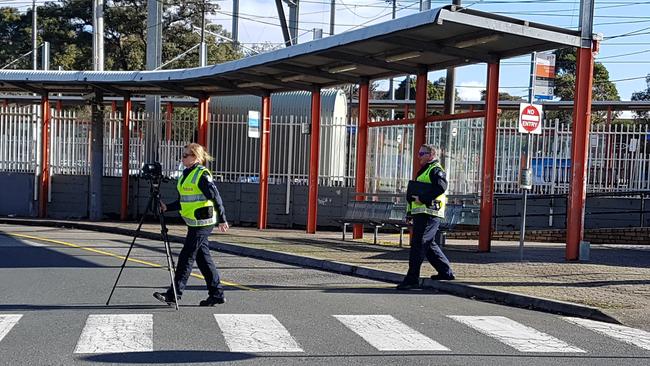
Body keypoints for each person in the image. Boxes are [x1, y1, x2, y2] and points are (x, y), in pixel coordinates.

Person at [153, 143, 230, 306]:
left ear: (195, 157)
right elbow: (185, 201)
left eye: (186, 155)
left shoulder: (201, 175)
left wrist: (222, 219)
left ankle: (174, 294)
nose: (182, 158)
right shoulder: (186, 174)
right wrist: (168, 207)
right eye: (183, 155)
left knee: (186, 256)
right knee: (203, 259)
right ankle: (217, 293)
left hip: (204, 222)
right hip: (194, 223)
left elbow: (215, 197)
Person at [397, 144, 455, 290]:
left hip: (430, 212)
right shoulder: (425, 170)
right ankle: (445, 272)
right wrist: (410, 213)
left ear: (431, 154)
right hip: (421, 213)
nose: (419, 156)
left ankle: (412, 279)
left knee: (419, 244)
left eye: (422, 153)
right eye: (418, 153)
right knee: (428, 244)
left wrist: (423, 199)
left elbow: (441, 187)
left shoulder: (435, 169)